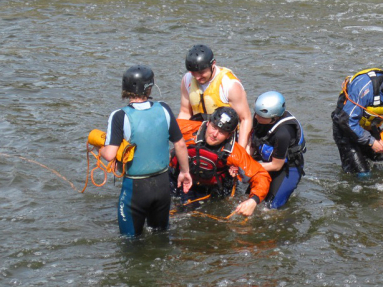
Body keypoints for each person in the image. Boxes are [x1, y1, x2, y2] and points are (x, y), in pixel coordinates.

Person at [100, 65, 192, 237]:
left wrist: (99, 148)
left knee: (130, 244)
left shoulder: (119, 116)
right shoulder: (164, 108)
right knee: (161, 237)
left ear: (125, 89)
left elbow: (110, 154)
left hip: (135, 188)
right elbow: (180, 144)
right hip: (163, 185)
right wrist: (185, 172)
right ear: (150, 88)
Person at [169, 106, 271, 216]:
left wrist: (253, 201)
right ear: (208, 123)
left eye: (222, 132)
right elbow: (160, 124)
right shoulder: (188, 130)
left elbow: (261, 175)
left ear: (229, 135)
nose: (214, 134)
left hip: (208, 190)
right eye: (214, 127)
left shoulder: (234, 152)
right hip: (176, 179)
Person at [331, 62, 383, 176]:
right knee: (363, 174)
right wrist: (371, 142)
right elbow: (346, 121)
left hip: (370, 129)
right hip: (345, 128)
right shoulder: (364, 86)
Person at [177, 44, 252, 149]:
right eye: (194, 73)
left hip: (226, 137)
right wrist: (179, 141)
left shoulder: (229, 84)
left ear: (213, 64)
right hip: (200, 134)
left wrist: (241, 150)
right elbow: (185, 112)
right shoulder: (187, 79)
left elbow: (245, 119)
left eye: (201, 72)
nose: (197, 77)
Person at [251, 91, 306, 209]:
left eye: (260, 116)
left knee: (270, 207)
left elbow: (276, 166)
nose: (256, 117)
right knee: (251, 199)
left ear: (274, 118)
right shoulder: (259, 118)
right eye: (256, 113)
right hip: (266, 161)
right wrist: (244, 160)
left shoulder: (283, 133)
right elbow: (252, 142)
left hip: (287, 168)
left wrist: (249, 166)